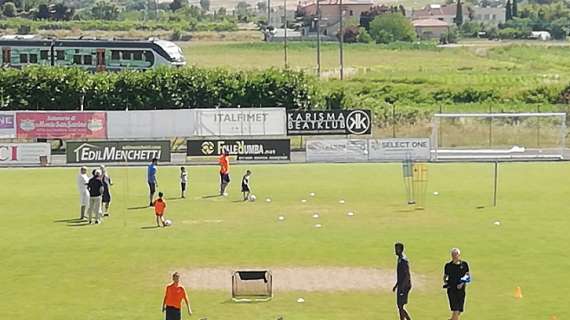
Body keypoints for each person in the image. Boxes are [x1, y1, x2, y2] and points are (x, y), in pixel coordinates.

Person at [443, 248, 471, 320]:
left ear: (459, 255)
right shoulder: (448, 266)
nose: (454, 256)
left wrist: (462, 283)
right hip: (451, 290)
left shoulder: (464, 265)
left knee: (459, 311)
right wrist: (446, 282)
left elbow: (467, 276)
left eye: (456, 255)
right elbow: (445, 276)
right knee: (456, 309)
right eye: (453, 255)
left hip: (461, 290)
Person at [392, 242, 412, 320]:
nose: (395, 251)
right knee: (400, 305)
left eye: (396, 249)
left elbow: (407, 275)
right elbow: (401, 275)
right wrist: (396, 285)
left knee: (400, 306)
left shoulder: (403, 260)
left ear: (400, 250)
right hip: (401, 285)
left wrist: (402, 288)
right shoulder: (400, 258)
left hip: (405, 285)